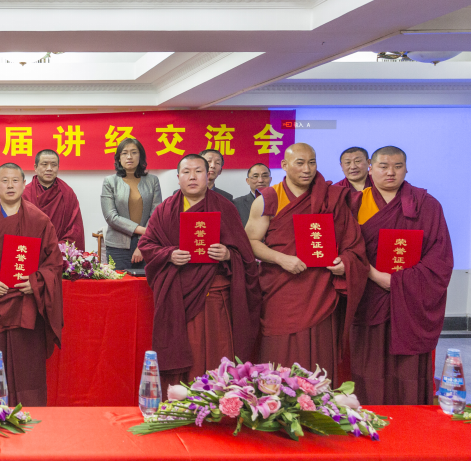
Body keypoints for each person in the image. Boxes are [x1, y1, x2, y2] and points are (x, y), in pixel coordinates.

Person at [245, 143, 368, 377]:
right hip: (281, 289)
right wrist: (281, 259)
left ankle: (319, 399)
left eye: (312, 163)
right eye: (299, 163)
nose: (307, 169)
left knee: (320, 355)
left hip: (321, 290)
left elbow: (352, 243)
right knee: (280, 353)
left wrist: (345, 262)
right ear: (284, 165)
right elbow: (250, 241)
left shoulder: (332, 197)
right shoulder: (269, 199)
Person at [140, 155, 261, 391]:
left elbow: (245, 254)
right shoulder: (165, 210)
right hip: (178, 295)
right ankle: (182, 399)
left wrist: (228, 254)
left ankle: (218, 400)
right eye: (186, 172)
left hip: (215, 294)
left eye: (198, 171)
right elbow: (147, 245)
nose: (192, 177)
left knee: (217, 350)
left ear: (208, 175)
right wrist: (169, 254)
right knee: (185, 350)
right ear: (178, 178)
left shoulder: (225, 207)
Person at [351, 146, 452, 405]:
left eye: (397, 166)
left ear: (406, 169)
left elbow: (440, 257)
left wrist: (399, 282)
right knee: (369, 361)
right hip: (368, 296)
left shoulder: (427, 205)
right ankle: (368, 414)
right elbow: (346, 249)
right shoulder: (355, 203)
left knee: (407, 367)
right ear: (370, 169)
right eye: (383, 166)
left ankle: (411, 418)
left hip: (411, 300)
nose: (391, 172)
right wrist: (376, 275)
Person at [0, 163, 63, 407]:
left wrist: (36, 282)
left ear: (24, 184)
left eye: (15, 180)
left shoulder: (39, 219)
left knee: (27, 360)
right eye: (4, 181)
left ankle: (30, 410)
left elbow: (54, 262)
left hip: (25, 301)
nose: (10, 186)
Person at [100, 138, 162, 270]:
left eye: (134, 152)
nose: (129, 157)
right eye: (124, 153)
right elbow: (111, 216)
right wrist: (143, 230)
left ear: (140, 156)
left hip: (147, 243)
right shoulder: (110, 182)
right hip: (117, 246)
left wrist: (143, 242)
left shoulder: (153, 181)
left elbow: (156, 214)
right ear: (119, 158)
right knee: (119, 283)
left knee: (146, 282)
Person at [21, 149, 85, 248]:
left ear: (58, 168)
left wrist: (57, 247)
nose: (49, 168)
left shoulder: (67, 193)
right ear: (35, 167)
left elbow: (75, 228)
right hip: (31, 248)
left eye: (54, 165)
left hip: (59, 250)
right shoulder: (24, 193)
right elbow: (18, 227)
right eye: (44, 164)